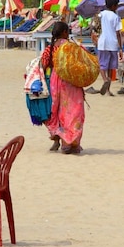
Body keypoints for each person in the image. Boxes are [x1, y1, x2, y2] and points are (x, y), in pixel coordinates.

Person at [42, 22, 86, 154]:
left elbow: (44, 65)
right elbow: (84, 60)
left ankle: (59, 140)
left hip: (55, 81)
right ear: (65, 32)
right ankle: (70, 143)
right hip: (71, 82)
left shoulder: (50, 49)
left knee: (57, 111)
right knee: (74, 112)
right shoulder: (72, 46)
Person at [92, 0, 123, 96]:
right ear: (114, 6)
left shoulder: (100, 15)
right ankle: (108, 90)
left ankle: (105, 80)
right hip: (113, 44)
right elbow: (118, 34)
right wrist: (121, 48)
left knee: (102, 65)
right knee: (111, 67)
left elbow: (93, 27)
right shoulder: (116, 17)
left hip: (102, 42)